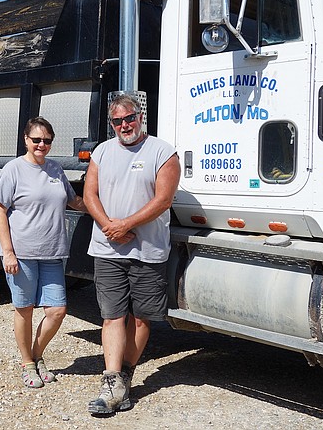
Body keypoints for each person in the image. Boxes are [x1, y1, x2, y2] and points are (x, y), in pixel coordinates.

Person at [83, 94, 180, 415]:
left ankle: (124, 377)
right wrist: (110, 227)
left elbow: (163, 199)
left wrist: (125, 224)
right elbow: (89, 194)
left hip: (148, 250)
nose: (125, 125)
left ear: (140, 118)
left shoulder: (163, 152)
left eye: (130, 118)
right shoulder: (102, 151)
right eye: (117, 121)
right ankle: (111, 384)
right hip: (108, 248)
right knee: (112, 315)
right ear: (111, 124)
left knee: (140, 318)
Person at [0, 117, 87, 388]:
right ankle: (27, 363)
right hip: (20, 253)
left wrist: (102, 209)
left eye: (47, 140)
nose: (41, 145)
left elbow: (74, 200)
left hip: (52, 252)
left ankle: (36, 355)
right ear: (26, 140)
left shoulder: (56, 170)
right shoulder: (13, 170)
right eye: (36, 140)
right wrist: (8, 252)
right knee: (24, 309)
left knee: (57, 310)